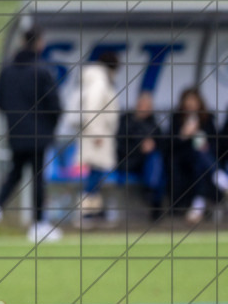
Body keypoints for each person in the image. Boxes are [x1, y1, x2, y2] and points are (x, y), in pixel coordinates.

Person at [0, 27, 64, 242]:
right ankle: (38, 225)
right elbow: (55, 105)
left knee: (15, 174)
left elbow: (1, 102)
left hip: (16, 133)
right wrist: (49, 126)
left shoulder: (7, 71)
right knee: (38, 177)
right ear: (39, 43)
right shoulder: (42, 70)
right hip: (39, 134)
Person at [170, 87, 227, 224]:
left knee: (201, 160)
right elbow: (169, 145)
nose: (190, 104)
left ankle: (198, 204)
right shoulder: (177, 118)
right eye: (188, 100)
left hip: (203, 160)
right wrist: (183, 135)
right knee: (200, 158)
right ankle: (221, 179)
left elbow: (217, 143)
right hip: (184, 159)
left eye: (193, 100)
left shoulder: (207, 118)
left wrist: (206, 144)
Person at [76, 51, 122, 223]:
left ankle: (94, 210)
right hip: (97, 135)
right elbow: (92, 107)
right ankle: (86, 211)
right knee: (95, 173)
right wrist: (96, 132)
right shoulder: (99, 80)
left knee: (96, 173)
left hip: (98, 134)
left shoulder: (96, 78)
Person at [115, 91, 167, 220]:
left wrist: (152, 144)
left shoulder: (154, 124)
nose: (145, 109)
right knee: (156, 165)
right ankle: (153, 196)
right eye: (143, 105)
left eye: (148, 106)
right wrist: (140, 148)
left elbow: (163, 145)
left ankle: (152, 191)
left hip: (148, 163)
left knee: (157, 160)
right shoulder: (126, 121)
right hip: (129, 161)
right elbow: (120, 146)